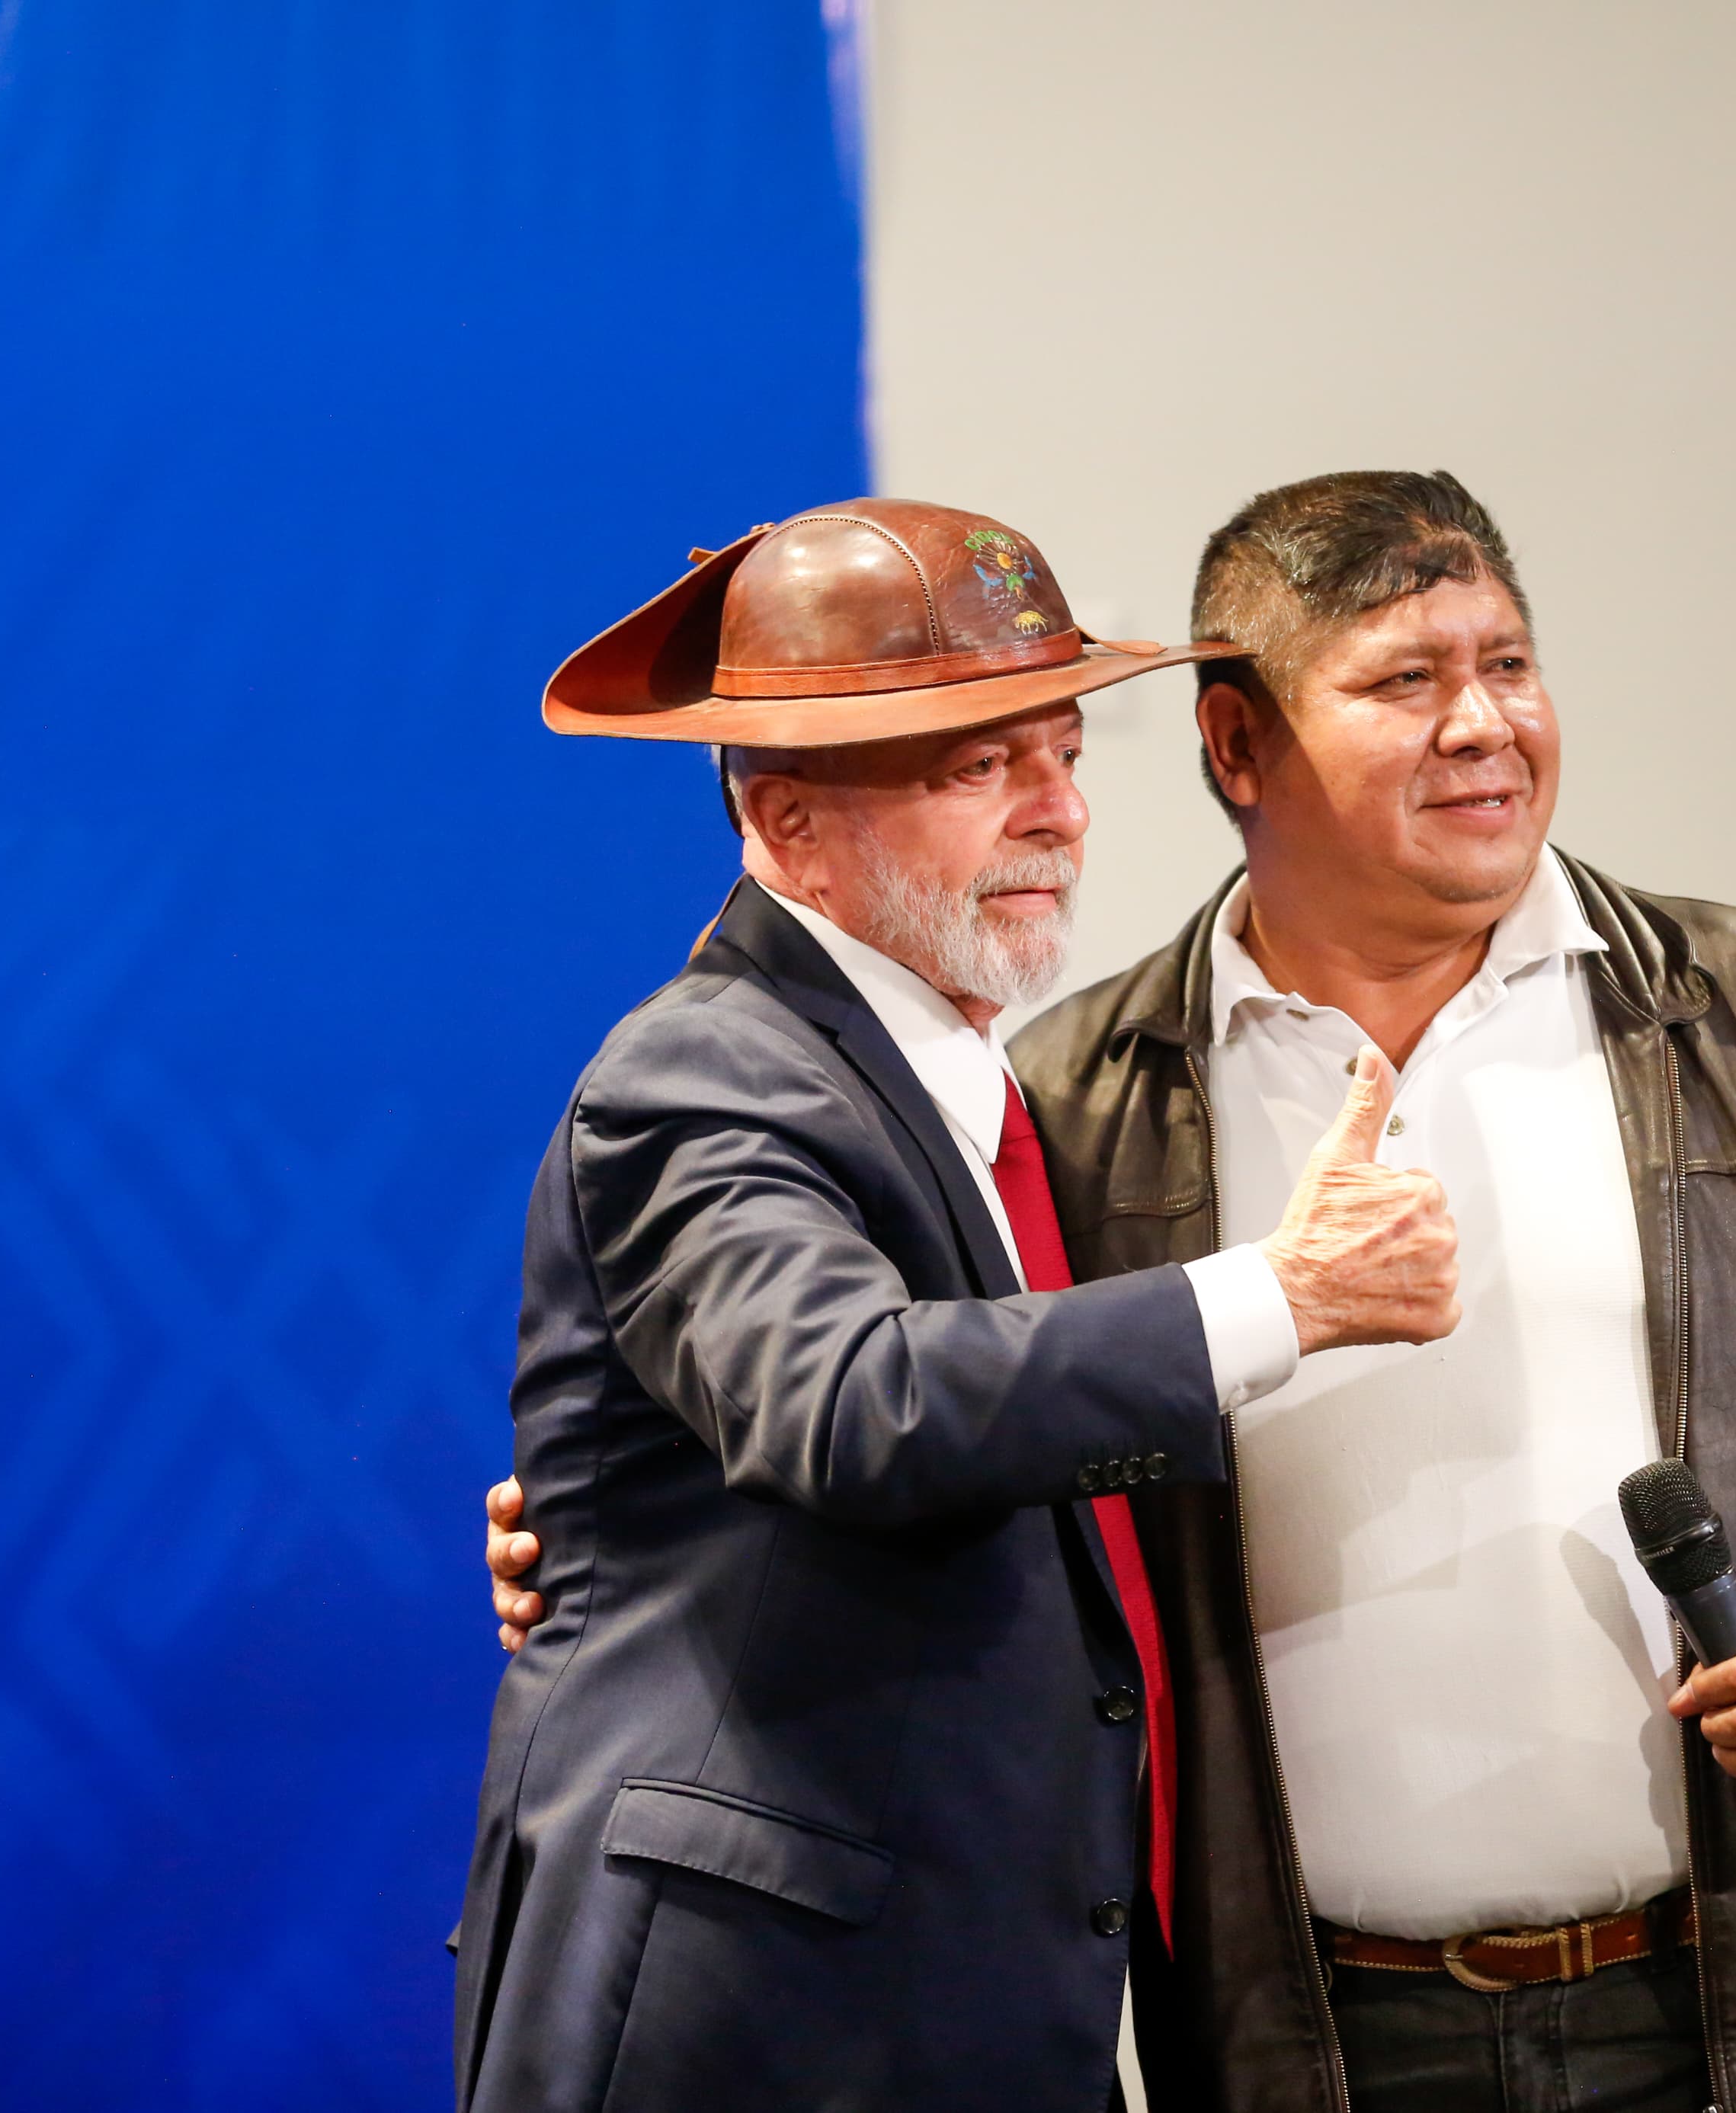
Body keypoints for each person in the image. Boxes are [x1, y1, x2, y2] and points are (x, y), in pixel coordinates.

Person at [488, 472, 1736, 2113]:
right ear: (1235, 747)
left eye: (1508, 663)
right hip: (1309, 2045)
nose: (1481, 723)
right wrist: (657, 1529)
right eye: (1406, 679)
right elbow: (898, 1403)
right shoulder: (1073, 1100)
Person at [453, 498, 1460, 2113]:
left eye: (1064, 752)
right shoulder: (701, 1071)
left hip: (953, 2005)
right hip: (757, 2030)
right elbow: (851, 1400)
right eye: (979, 767)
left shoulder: (986, 1087)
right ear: (786, 818)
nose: (1058, 813)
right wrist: (1285, 1293)